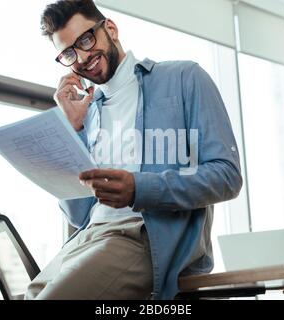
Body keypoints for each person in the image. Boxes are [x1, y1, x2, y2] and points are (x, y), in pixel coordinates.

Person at [26, 0, 242, 300]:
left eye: (86, 40)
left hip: (143, 236)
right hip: (89, 238)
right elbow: (78, 215)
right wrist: (72, 130)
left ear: (110, 29)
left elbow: (227, 176)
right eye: (69, 53)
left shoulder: (184, 78)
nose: (82, 57)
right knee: (27, 294)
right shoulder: (86, 113)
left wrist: (139, 188)